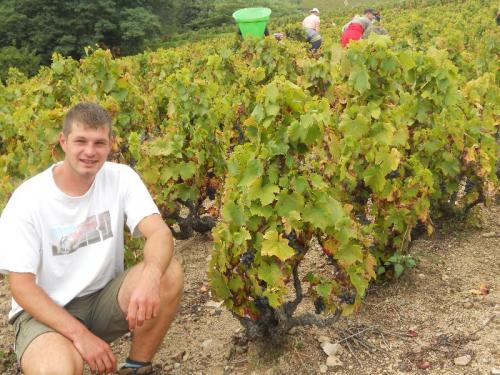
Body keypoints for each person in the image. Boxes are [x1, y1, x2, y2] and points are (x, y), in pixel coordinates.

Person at [0, 102, 183, 375]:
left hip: (101, 301)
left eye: (99, 143)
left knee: (168, 272)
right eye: (80, 141)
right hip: (45, 315)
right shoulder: (29, 199)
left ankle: (135, 368)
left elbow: (159, 232)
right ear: (63, 141)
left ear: (110, 144)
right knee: (57, 369)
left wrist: (151, 276)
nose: (89, 151)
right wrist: (81, 336)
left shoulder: (121, 178)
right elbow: (22, 287)